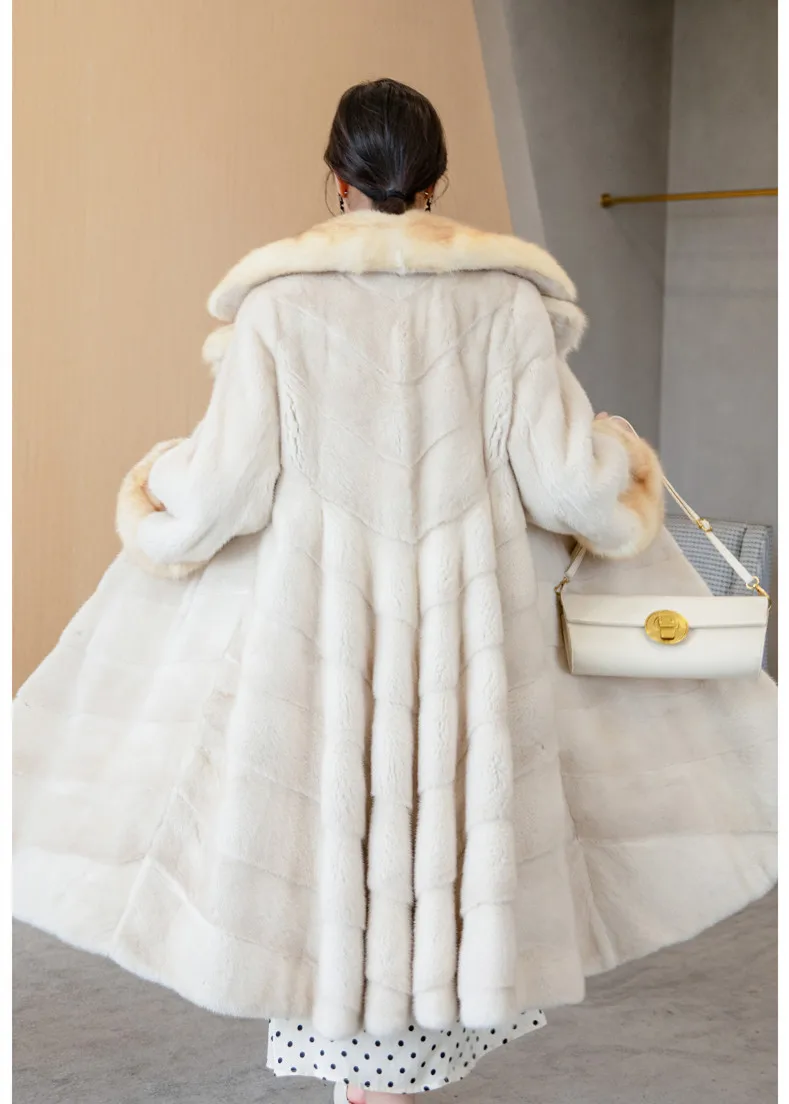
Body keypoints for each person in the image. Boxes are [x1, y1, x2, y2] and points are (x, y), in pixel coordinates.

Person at [13, 78, 776, 1104]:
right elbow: (570, 488)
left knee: (338, 876)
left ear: (338, 179)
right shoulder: (507, 304)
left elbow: (218, 496)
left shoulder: (280, 308)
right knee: (452, 874)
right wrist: (620, 460)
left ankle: (365, 1084)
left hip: (323, 668)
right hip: (469, 668)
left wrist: (156, 487)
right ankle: (398, 1083)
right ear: (436, 180)